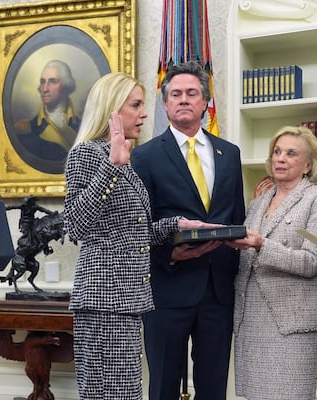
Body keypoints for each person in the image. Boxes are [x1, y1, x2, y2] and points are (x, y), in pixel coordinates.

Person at [63, 72, 206, 400]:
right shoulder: (87, 155)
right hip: (102, 302)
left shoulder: (124, 162)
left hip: (128, 301)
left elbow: (132, 233)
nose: (144, 113)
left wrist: (175, 225)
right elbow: (77, 225)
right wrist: (112, 166)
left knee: (126, 393)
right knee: (107, 395)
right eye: (136, 105)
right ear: (112, 110)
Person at [131, 61, 245, 400]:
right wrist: (169, 254)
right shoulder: (145, 157)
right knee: (164, 385)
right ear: (164, 104)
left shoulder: (229, 154)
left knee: (213, 387)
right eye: (176, 94)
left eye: (192, 93)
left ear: (205, 102)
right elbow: (137, 227)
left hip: (217, 292)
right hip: (167, 288)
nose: (184, 99)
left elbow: (234, 214)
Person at [227, 125, 317, 400]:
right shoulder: (259, 202)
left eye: (290, 153)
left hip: (291, 323)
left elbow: (311, 262)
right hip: (250, 320)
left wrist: (262, 244)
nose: (280, 158)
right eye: (276, 151)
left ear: (308, 164)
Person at [15, 59, 81, 168]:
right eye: (42, 82)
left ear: (65, 86)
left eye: (52, 81)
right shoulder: (26, 130)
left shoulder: (83, 126)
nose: (44, 89)